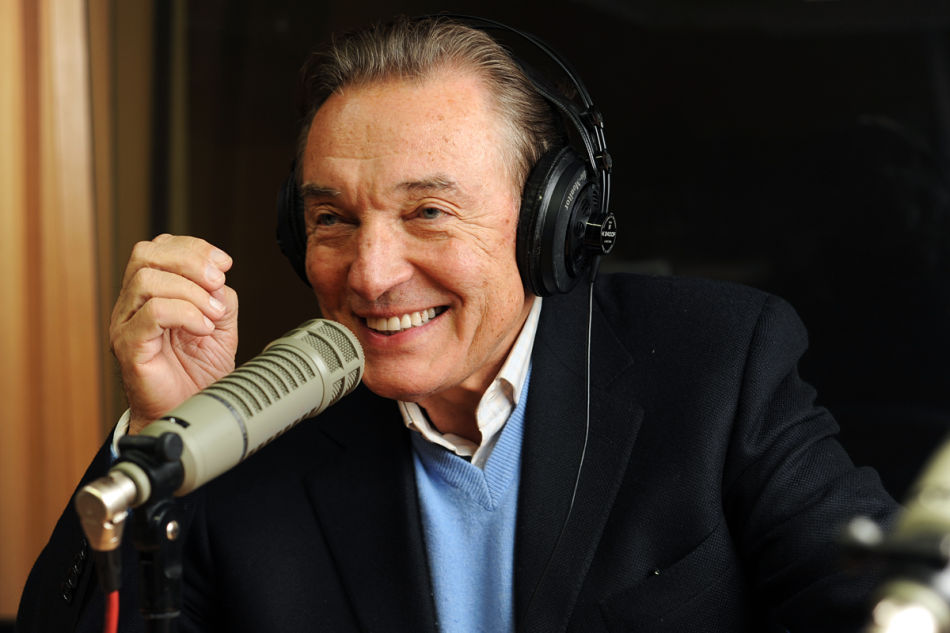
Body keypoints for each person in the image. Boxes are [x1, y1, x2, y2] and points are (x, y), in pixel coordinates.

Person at [17, 15, 897, 633]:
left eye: (428, 211)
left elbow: (885, 606)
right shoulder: (253, 435)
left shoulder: (713, 364)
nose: (371, 272)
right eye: (333, 219)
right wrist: (161, 430)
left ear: (551, 222)